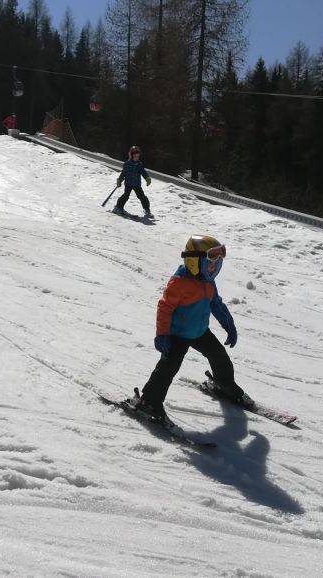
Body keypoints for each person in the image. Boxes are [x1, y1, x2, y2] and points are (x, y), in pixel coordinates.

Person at [134, 235, 243, 425]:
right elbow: (164, 308)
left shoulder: (208, 282)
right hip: (177, 335)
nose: (213, 268)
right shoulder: (179, 283)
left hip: (200, 332)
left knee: (219, 357)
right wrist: (162, 334)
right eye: (209, 263)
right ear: (193, 261)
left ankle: (224, 385)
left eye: (216, 264)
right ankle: (149, 402)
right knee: (167, 369)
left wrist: (229, 325)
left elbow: (216, 304)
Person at [113, 145, 153, 218]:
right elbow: (123, 173)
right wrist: (119, 180)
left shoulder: (139, 164)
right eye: (135, 156)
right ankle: (118, 208)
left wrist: (147, 178)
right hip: (128, 184)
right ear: (131, 156)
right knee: (126, 196)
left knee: (142, 196)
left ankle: (147, 210)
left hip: (137, 184)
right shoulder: (127, 164)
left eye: (138, 156)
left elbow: (143, 172)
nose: (136, 158)